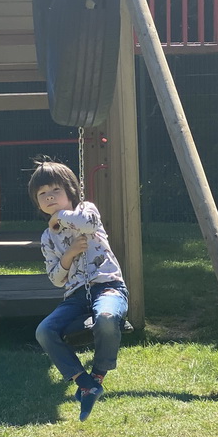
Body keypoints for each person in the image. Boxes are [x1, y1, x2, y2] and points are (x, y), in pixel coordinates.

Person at [27, 157, 129, 421]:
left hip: (107, 287)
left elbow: (89, 226)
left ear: (71, 191)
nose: (49, 197)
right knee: (44, 331)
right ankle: (85, 382)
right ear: (37, 201)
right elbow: (56, 278)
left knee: (106, 319)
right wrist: (69, 253)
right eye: (42, 194)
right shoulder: (47, 237)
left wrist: (60, 216)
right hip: (75, 296)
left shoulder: (86, 210)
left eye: (55, 190)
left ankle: (98, 374)